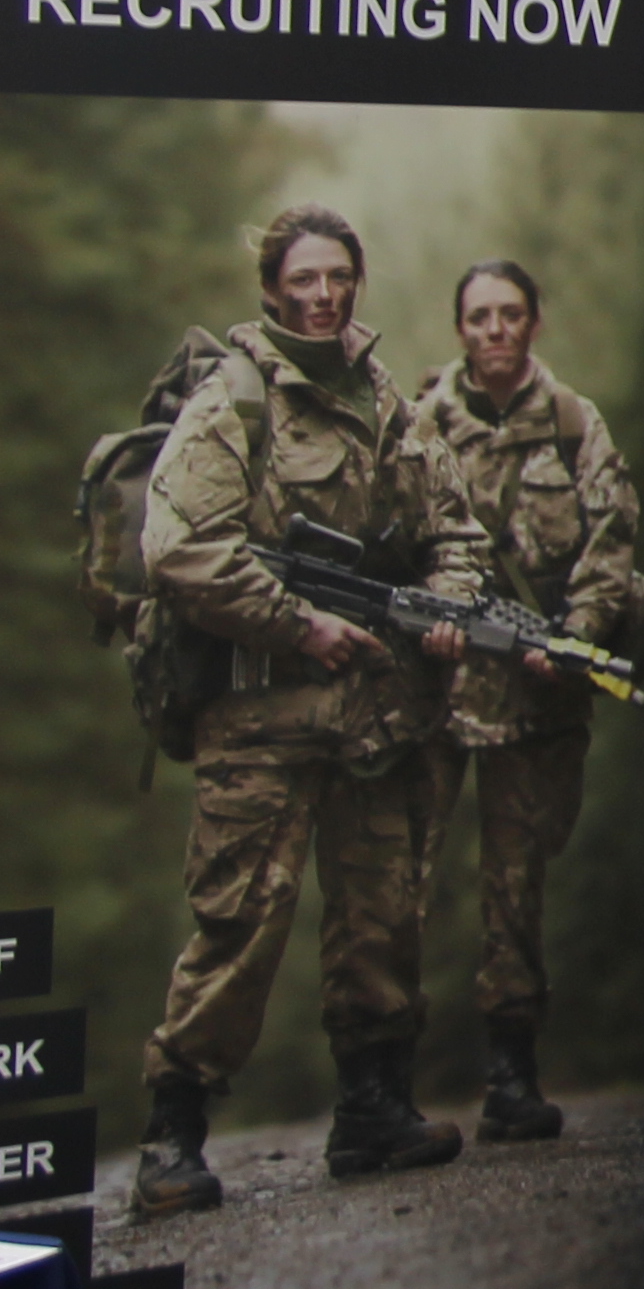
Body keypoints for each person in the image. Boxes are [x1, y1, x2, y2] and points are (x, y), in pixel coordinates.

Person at [129, 206, 483, 1213]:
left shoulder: (382, 402)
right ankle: (173, 1133)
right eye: (306, 279)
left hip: (373, 717)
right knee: (239, 922)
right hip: (259, 721)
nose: (324, 295)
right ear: (273, 289)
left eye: (339, 277)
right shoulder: (231, 403)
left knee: (383, 915)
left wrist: (450, 609)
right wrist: (299, 625)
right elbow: (181, 549)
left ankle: (373, 1111)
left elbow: (451, 530)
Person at [394, 258, 644, 1140]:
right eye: (479, 318)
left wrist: (575, 636)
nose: (495, 331)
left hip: (534, 701)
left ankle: (510, 1077)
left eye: (510, 315)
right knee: (405, 882)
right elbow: (392, 540)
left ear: (534, 322)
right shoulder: (422, 427)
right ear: (459, 329)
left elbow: (613, 535)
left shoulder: (575, 424)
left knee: (517, 886)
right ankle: (386, 1085)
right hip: (435, 695)